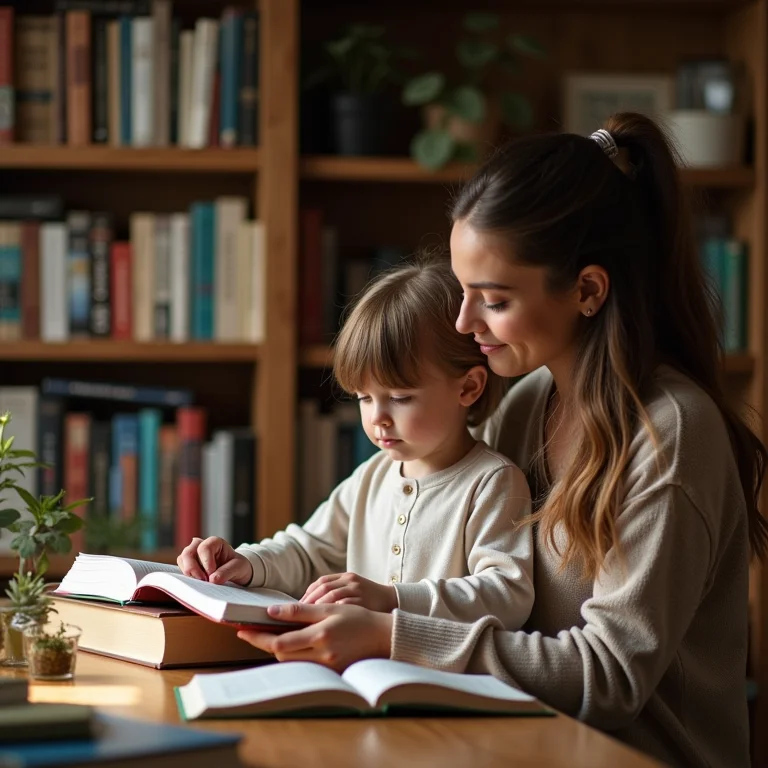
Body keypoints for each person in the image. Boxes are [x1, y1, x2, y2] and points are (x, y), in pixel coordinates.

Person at [235, 114, 766, 768]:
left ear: (588, 290)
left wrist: (391, 634)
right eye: (463, 292)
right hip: (517, 744)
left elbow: (609, 678)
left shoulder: (670, 433)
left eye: (492, 299)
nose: (464, 322)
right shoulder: (524, 407)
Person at [178, 256, 535, 629]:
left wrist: (391, 598)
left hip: (443, 678)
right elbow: (308, 549)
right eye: (364, 398)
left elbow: (507, 595)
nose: (376, 417)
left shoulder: (492, 482)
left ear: (468, 387)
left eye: (399, 397)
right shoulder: (373, 476)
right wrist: (249, 563)